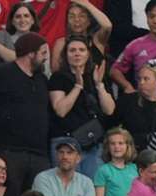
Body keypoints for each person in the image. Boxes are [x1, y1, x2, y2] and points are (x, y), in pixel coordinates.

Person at [0, 32, 51, 196]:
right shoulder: (0, 74)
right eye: (43, 53)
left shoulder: (41, 80)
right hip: (7, 152)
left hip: (38, 154)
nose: (46, 58)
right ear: (30, 54)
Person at [48, 35, 115, 178]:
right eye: (72, 50)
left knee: (93, 189)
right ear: (65, 55)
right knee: (68, 191)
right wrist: (77, 86)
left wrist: (99, 85)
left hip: (93, 143)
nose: (77, 53)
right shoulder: (58, 77)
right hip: (66, 142)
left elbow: (109, 110)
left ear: (88, 54)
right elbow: (60, 110)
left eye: (81, 50)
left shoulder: (95, 76)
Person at [114, 63, 156, 151]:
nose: (141, 82)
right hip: (132, 152)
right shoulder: (128, 101)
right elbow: (112, 125)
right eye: (139, 79)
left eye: (146, 79)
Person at [49, 0, 113, 73]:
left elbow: (107, 26)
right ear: (67, 21)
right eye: (71, 16)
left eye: (82, 16)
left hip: (95, 83)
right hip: (68, 83)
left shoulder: (97, 40)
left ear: (89, 21)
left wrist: (86, 4)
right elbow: (55, 71)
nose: (76, 19)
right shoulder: (61, 43)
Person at [94, 128, 138, 196]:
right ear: (108, 147)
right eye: (112, 144)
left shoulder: (135, 169)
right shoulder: (103, 170)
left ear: (128, 146)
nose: (116, 147)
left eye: (120, 143)